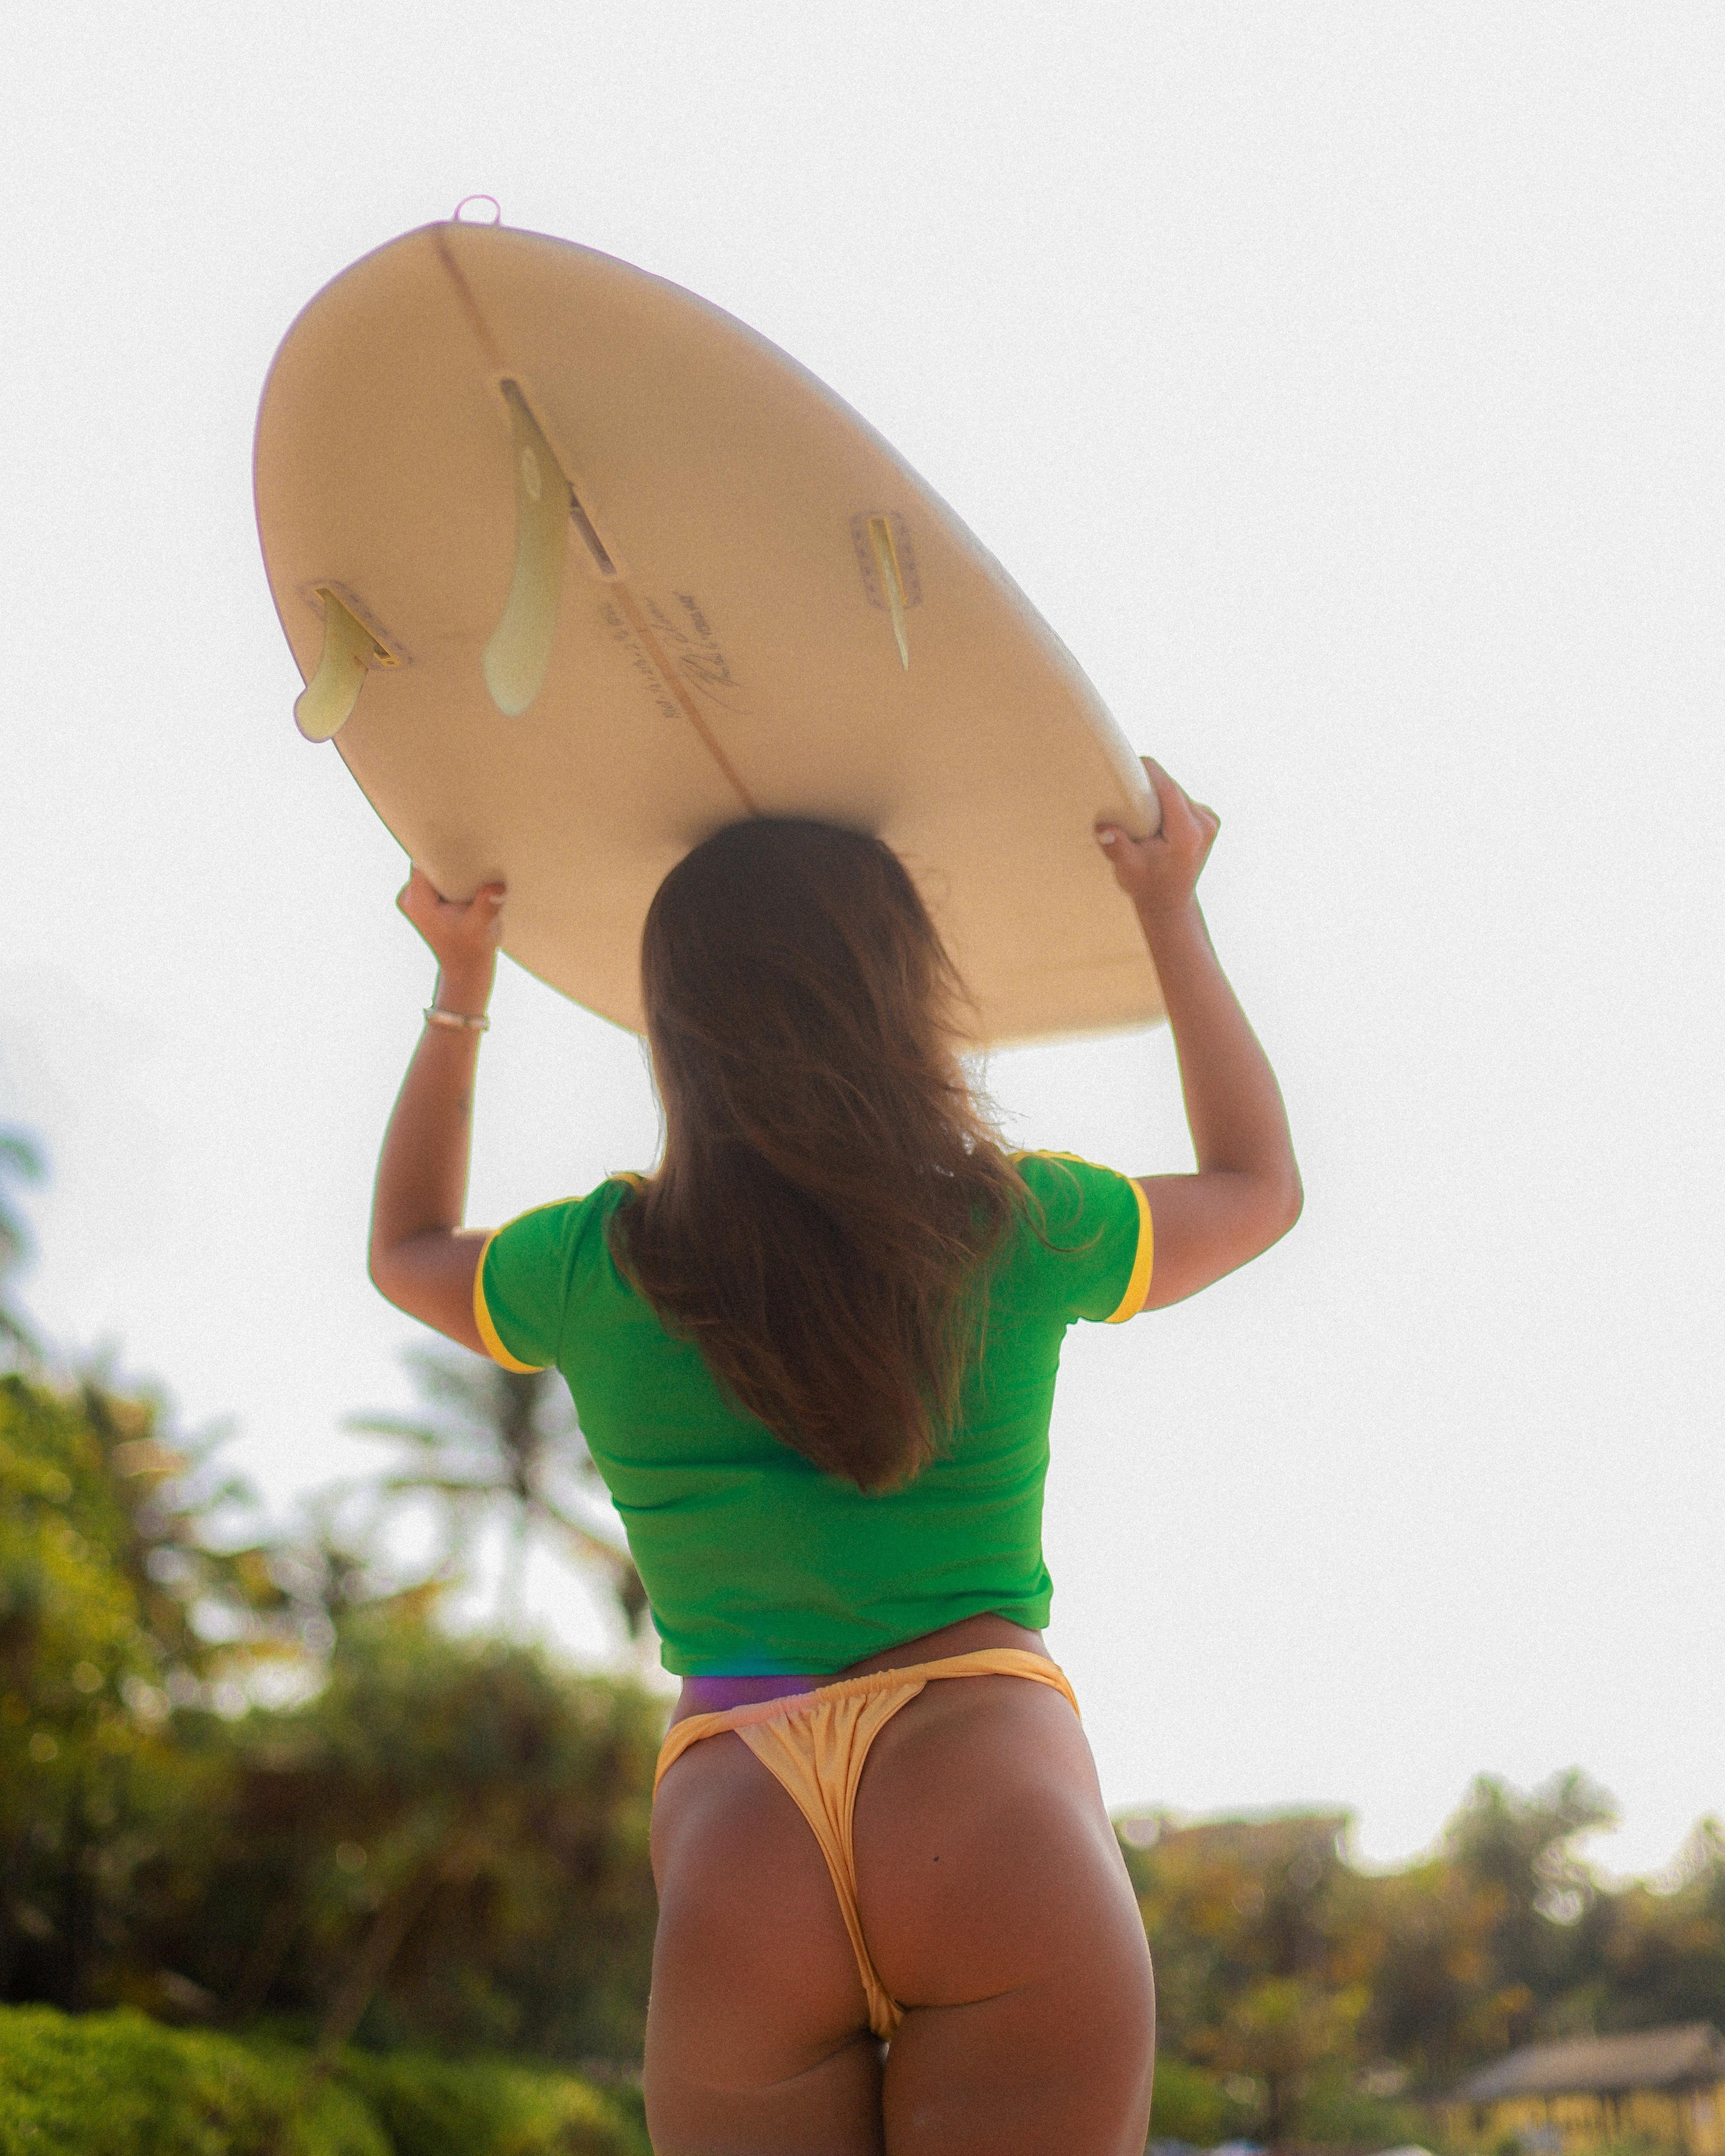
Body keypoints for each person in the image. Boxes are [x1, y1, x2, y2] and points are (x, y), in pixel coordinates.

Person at [369, 757, 1301, 2156]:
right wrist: (1167, 909)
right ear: (904, 997)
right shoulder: (1017, 1223)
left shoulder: (594, 1264)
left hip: (745, 1837)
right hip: (987, 1796)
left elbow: (404, 1252)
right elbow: (1255, 1187)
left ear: (671, 1026)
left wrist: (461, 982)